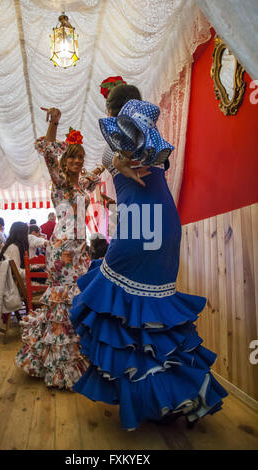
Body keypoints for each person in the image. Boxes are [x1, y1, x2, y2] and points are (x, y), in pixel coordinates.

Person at [70, 82, 228, 430]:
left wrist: (119, 160)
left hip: (141, 228)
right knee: (154, 315)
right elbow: (123, 156)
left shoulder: (128, 137)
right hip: (167, 227)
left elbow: (113, 155)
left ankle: (147, 399)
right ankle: (182, 396)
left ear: (111, 113)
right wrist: (121, 162)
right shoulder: (152, 141)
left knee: (117, 308)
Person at [15, 107, 105, 388]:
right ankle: (58, 362)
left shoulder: (82, 187)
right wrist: (55, 123)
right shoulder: (60, 183)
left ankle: (80, 356)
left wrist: (110, 162)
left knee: (78, 298)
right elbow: (47, 151)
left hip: (81, 248)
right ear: (64, 163)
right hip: (62, 249)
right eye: (72, 157)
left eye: (80, 157)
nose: (77, 161)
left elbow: (99, 171)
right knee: (63, 299)